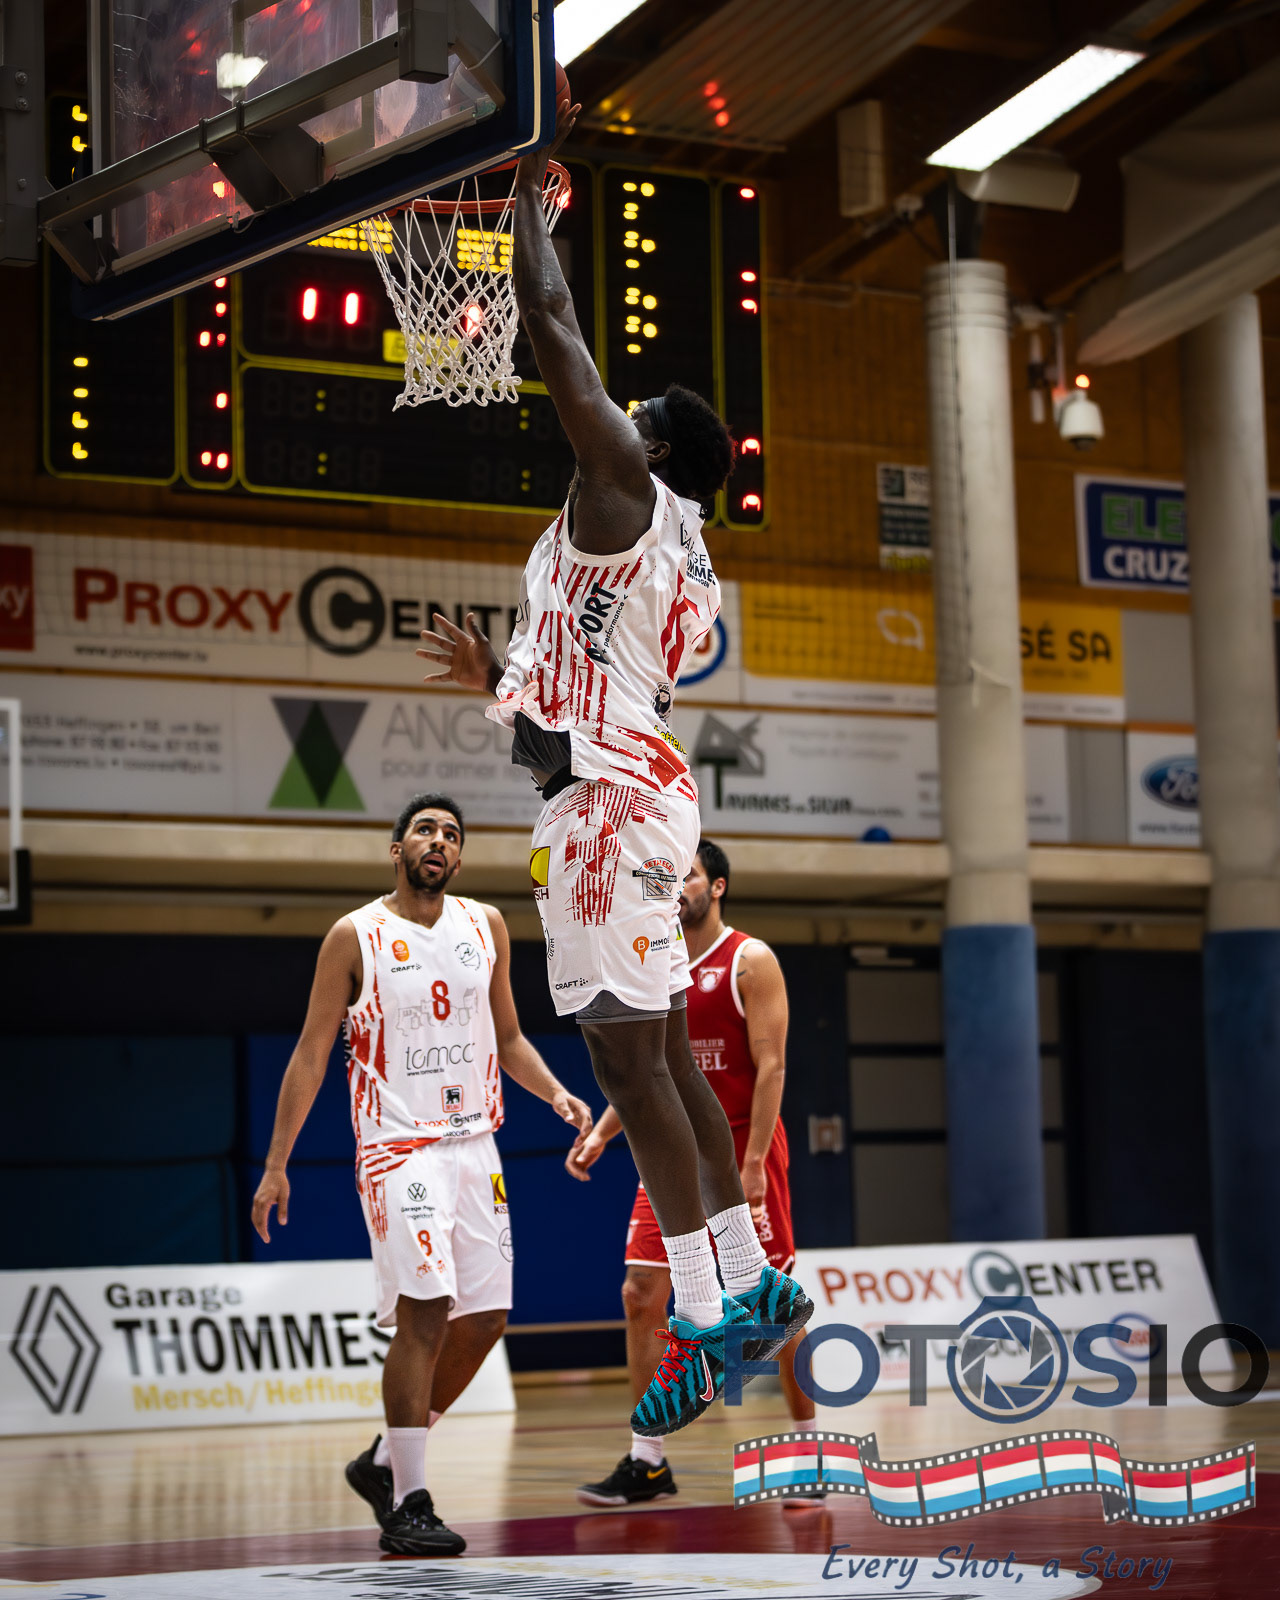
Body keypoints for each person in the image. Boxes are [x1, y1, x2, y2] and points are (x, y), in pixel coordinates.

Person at [415, 101, 811, 1440]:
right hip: (633, 787)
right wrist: (500, 681)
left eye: (629, 416)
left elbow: (553, 328)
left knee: (631, 1064)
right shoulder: (686, 553)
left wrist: (530, 193)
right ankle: (748, 1278)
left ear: (650, 450)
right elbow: (577, 703)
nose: (611, 414)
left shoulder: (624, 493)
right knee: (660, 1058)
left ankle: (707, 1302)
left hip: (604, 807)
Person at [251, 793, 592, 1558]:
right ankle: (409, 1499)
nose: (438, 841)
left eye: (451, 834)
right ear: (397, 849)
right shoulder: (355, 936)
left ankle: (382, 1462)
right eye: (424, 830)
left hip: (476, 1147)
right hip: (398, 1149)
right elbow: (310, 1053)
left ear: (459, 858)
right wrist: (275, 1163)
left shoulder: (486, 925)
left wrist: (556, 1093)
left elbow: (509, 1035)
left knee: (487, 1318)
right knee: (427, 1312)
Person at [568, 840, 824, 1508]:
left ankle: (810, 1450)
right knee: (639, 1293)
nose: (675, 885)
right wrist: (600, 1134)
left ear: (718, 887)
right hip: (670, 1156)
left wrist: (755, 1162)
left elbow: (773, 1067)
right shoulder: (656, 959)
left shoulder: (749, 959)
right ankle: (646, 1459)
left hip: (740, 1150)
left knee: (773, 1310)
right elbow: (650, 1075)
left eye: (687, 875)